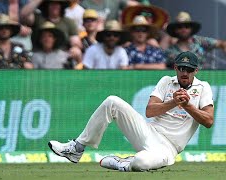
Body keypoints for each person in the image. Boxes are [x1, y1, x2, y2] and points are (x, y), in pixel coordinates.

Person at [48, 51, 214, 172]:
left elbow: (208, 121)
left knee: (140, 163)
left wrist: (188, 106)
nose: (185, 73)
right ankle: (77, 148)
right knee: (112, 101)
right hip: (149, 132)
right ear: (175, 68)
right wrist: (173, 102)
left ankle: (123, 163)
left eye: (189, 70)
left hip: (168, 148)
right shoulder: (166, 82)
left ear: (196, 71)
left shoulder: (203, 87)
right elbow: (149, 111)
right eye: (182, 68)